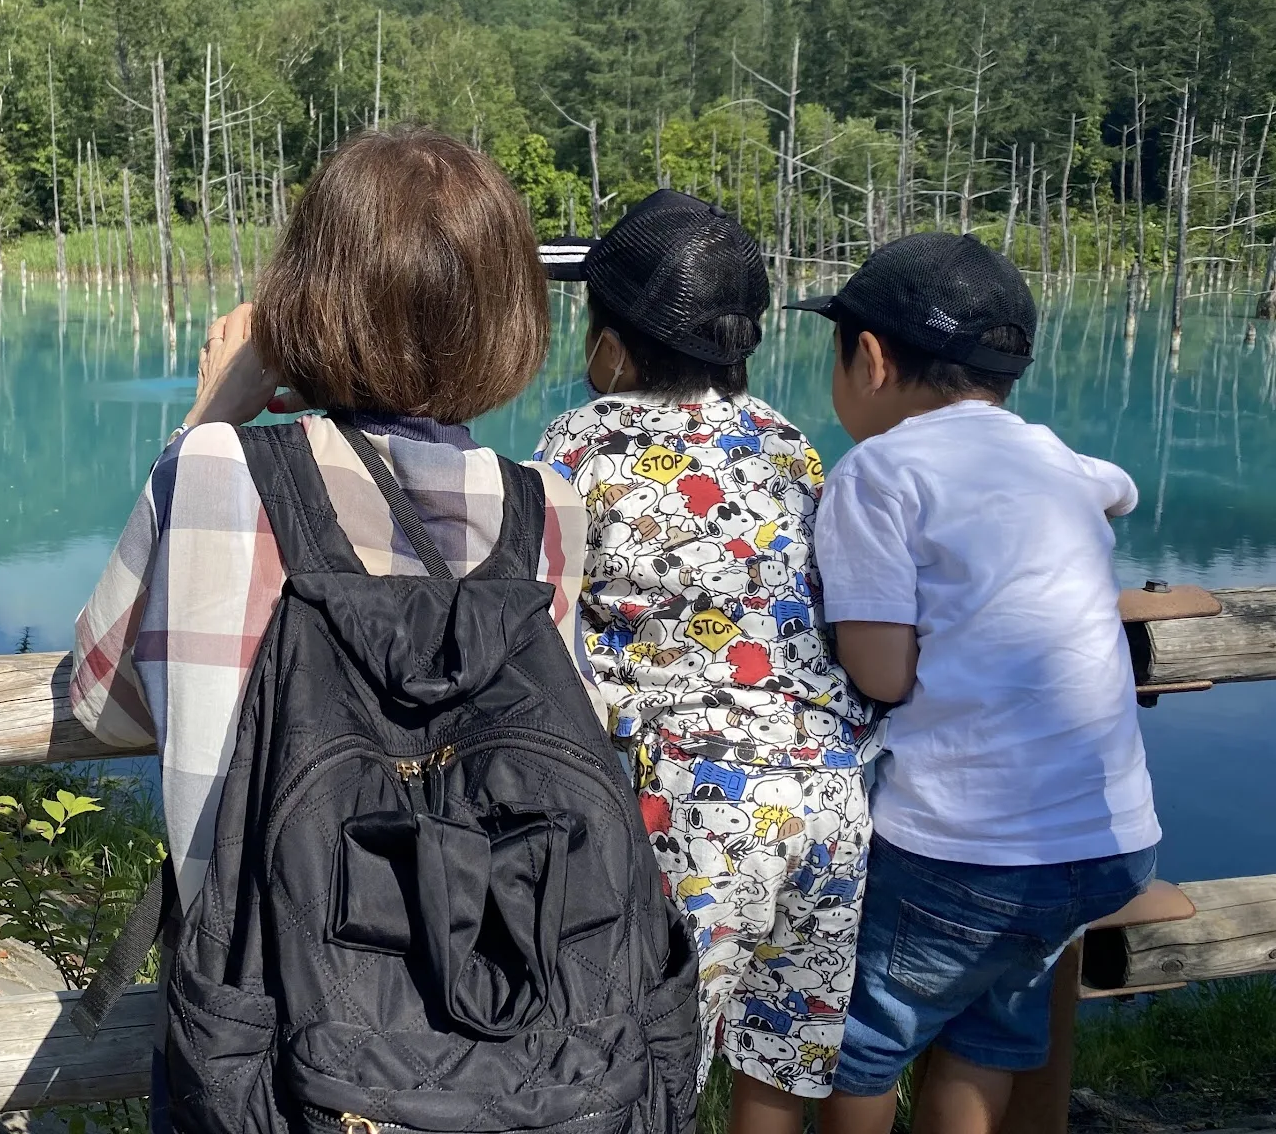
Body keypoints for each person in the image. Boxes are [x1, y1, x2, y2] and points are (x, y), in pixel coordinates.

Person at [72, 128, 703, 1132]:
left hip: (262, 1024)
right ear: (507, 312)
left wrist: (214, 408)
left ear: (305, 295)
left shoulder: (221, 474)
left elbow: (98, 702)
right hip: (509, 1020)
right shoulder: (544, 506)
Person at [787, 233, 1160, 1134]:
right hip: (1104, 839)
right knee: (986, 1030)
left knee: (865, 1043)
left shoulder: (877, 472)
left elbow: (881, 669)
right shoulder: (1047, 456)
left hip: (968, 845)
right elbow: (1120, 487)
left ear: (868, 357)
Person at [534, 191, 876, 1133]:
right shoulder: (787, 444)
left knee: (651, 1057)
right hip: (828, 796)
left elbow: (541, 608)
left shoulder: (580, 445)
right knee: (783, 1045)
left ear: (612, 343)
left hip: (693, 802)